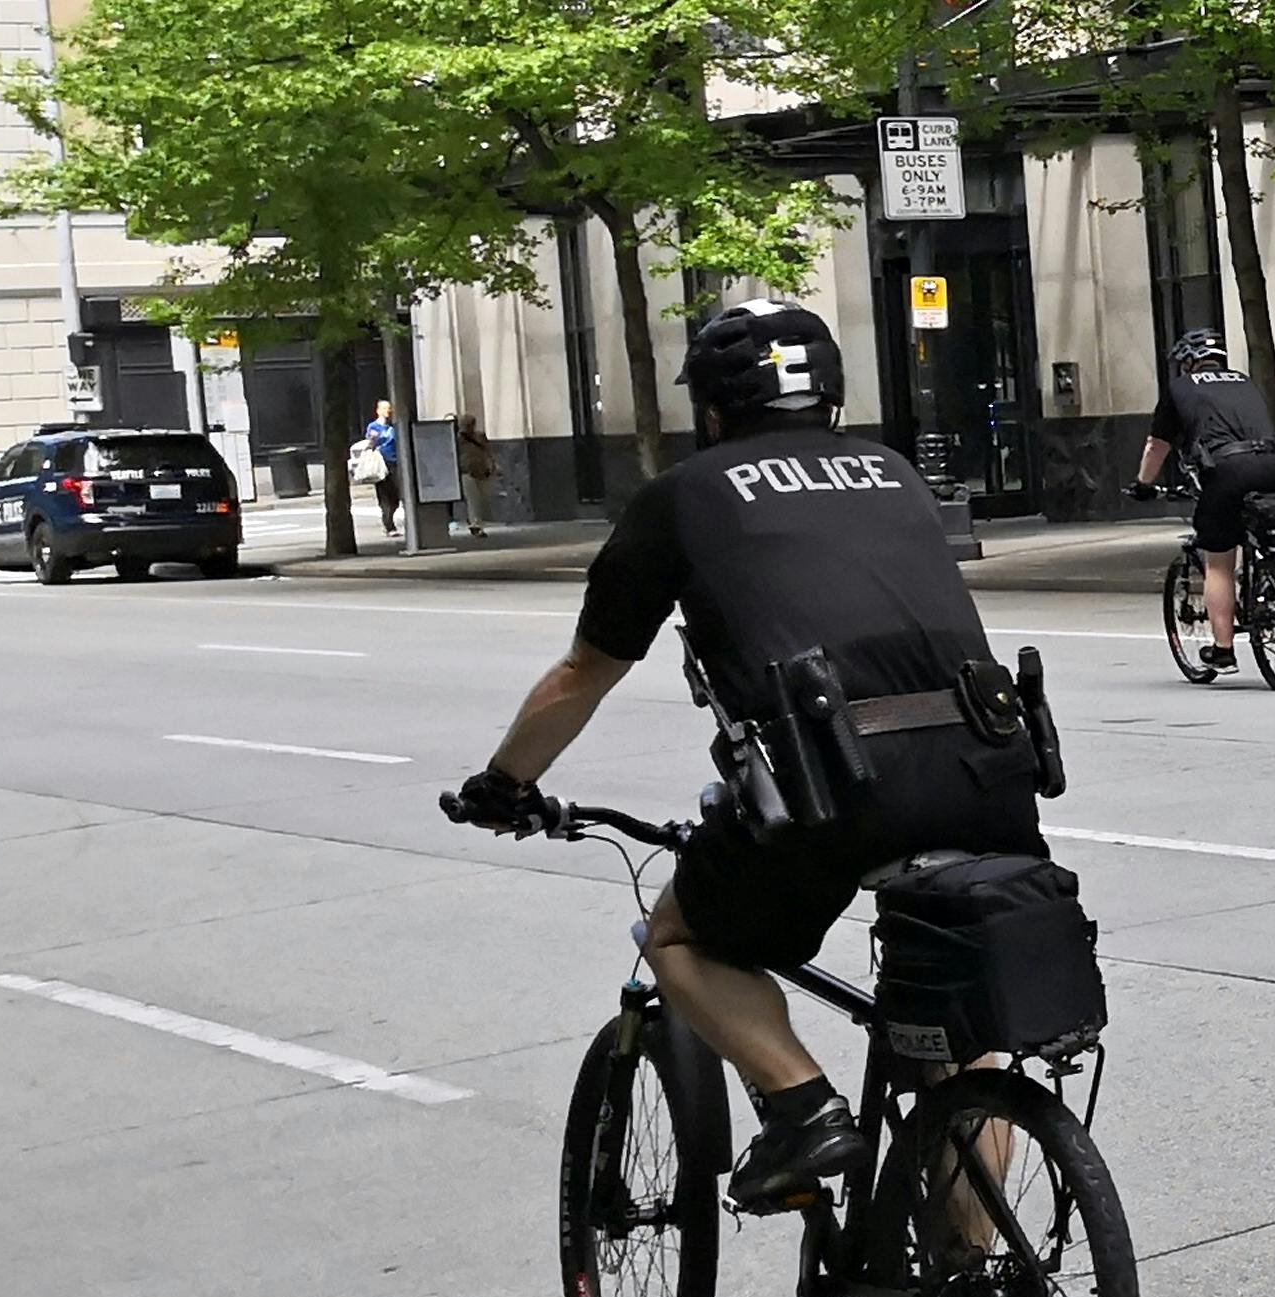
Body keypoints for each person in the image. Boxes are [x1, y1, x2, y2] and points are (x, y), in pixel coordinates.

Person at [450, 298, 1048, 1210]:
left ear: (716, 410)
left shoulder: (686, 497)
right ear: (832, 397)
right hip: (990, 771)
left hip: (833, 788)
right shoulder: (894, 473)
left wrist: (506, 784)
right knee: (965, 1041)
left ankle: (805, 1109)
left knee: (681, 934)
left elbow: (584, 672)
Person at [1130, 330, 1275, 671]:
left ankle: (1223, 650)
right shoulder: (1245, 381)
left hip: (1228, 470)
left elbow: (1156, 446)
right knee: (1267, 527)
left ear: (1188, 361)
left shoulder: (1180, 388)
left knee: (1219, 562)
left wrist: (1143, 484)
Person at [364, 401, 401, 538]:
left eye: (389, 409)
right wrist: (373, 440)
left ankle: (389, 519)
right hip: (380, 464)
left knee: (396, 496)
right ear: (378, 411)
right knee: (384, 495)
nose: (388, 411)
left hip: (394, 463)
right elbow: (370, 443)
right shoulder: (373, 427)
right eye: (385, 409)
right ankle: (389, 525)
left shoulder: (394, 427)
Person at [457, 412, 497, 537]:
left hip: (482, 471)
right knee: (473, 499)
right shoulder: (458, 438)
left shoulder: (480, 436)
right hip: (466, 471)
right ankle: (476, 524)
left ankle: (475, 520)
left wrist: (493, 464)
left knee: (482, 499)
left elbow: (488, 450)